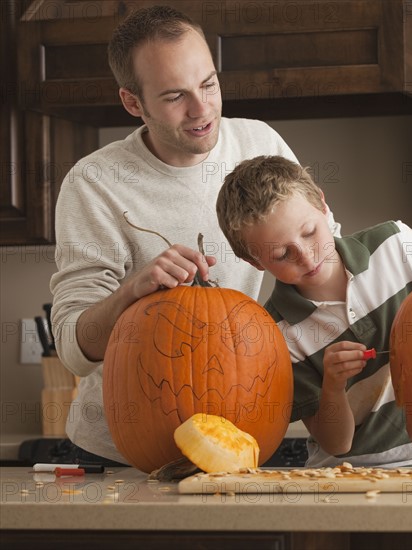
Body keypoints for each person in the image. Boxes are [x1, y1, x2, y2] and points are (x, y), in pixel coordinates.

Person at [50, 6, 340, 465]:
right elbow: (73, 347)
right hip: (124, 450)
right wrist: (131, 292)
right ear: (133, 103)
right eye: (174, 96)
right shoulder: (93, 183)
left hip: (239, 439)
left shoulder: (258, 144)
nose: (201, 108)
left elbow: (326, 261)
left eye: (208, 84)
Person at [216, 155, 412, 468]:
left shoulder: (396, 245)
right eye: (282, 254)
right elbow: (337, 443)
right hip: (351, 476)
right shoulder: (277, 334)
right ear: (255, 262)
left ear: (323, 206)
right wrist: (333, 387)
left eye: (309, 233)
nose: (307, 257)